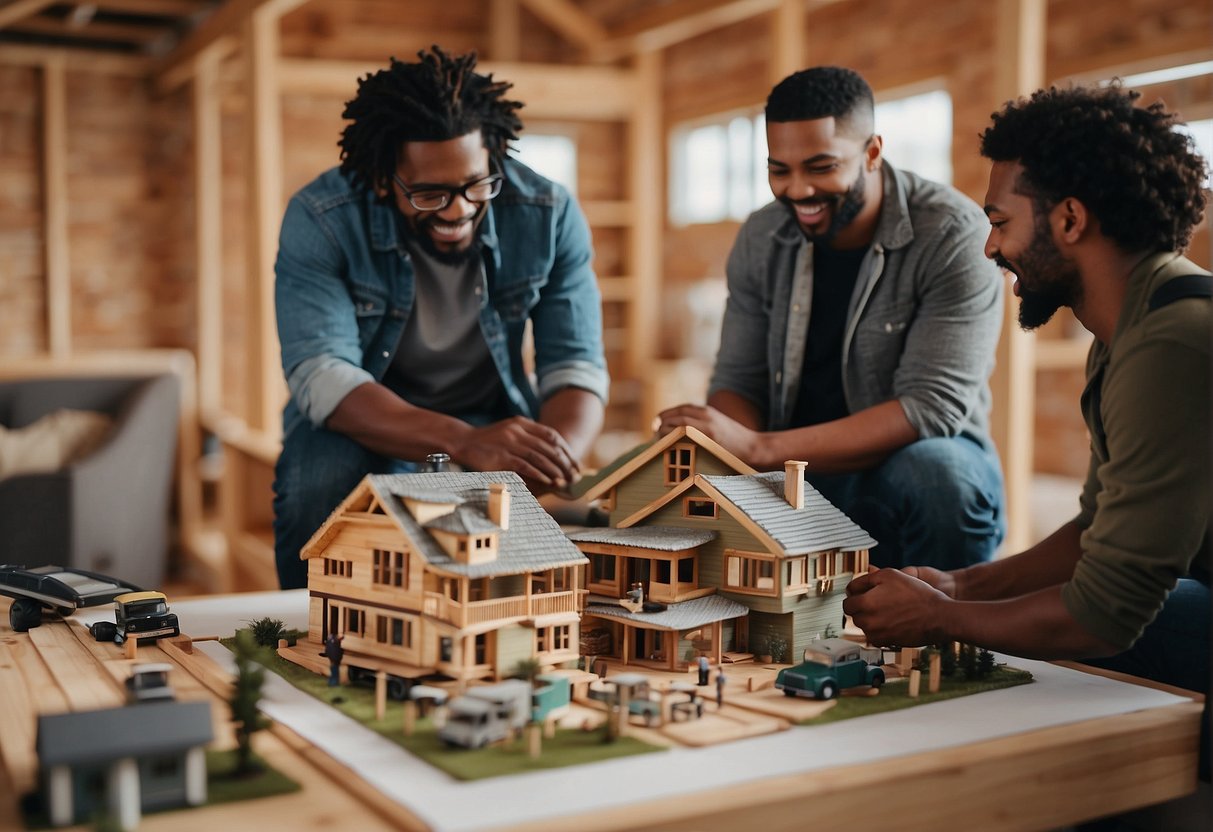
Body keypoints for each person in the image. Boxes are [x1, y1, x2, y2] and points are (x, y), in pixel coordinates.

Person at [844, 84, 1210, 779]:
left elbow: (1106, 611)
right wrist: (960, 587)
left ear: (1068, 218)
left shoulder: (1172, 343)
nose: (990, 247)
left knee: (1113, 622)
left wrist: (938, 619)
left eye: (1000, 221)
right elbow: (1095, 532)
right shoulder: (1133, 326)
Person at [272, 48, 608, 588]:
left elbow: (575, 364)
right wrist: (460, 442)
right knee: (318, 476)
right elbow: (323, 375)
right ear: (385, 179)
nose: (459, 211)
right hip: (368, 418)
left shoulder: (549, 212)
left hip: (489, 415)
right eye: (430, 194)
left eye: (477, 185)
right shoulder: (322, 217)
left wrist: (554, 455)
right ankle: (305, 628)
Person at [657, 66, 1005, 571]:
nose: (798, 191)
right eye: (780, 170)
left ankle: (950, 633)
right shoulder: (761, 237)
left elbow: (930, 408)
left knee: (938, 476)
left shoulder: (952, 234)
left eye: (821, 167)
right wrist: (719, 443)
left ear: (872, 152)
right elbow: (739, 381)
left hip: (911, 464)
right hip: (793, 467)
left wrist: (757, 447)